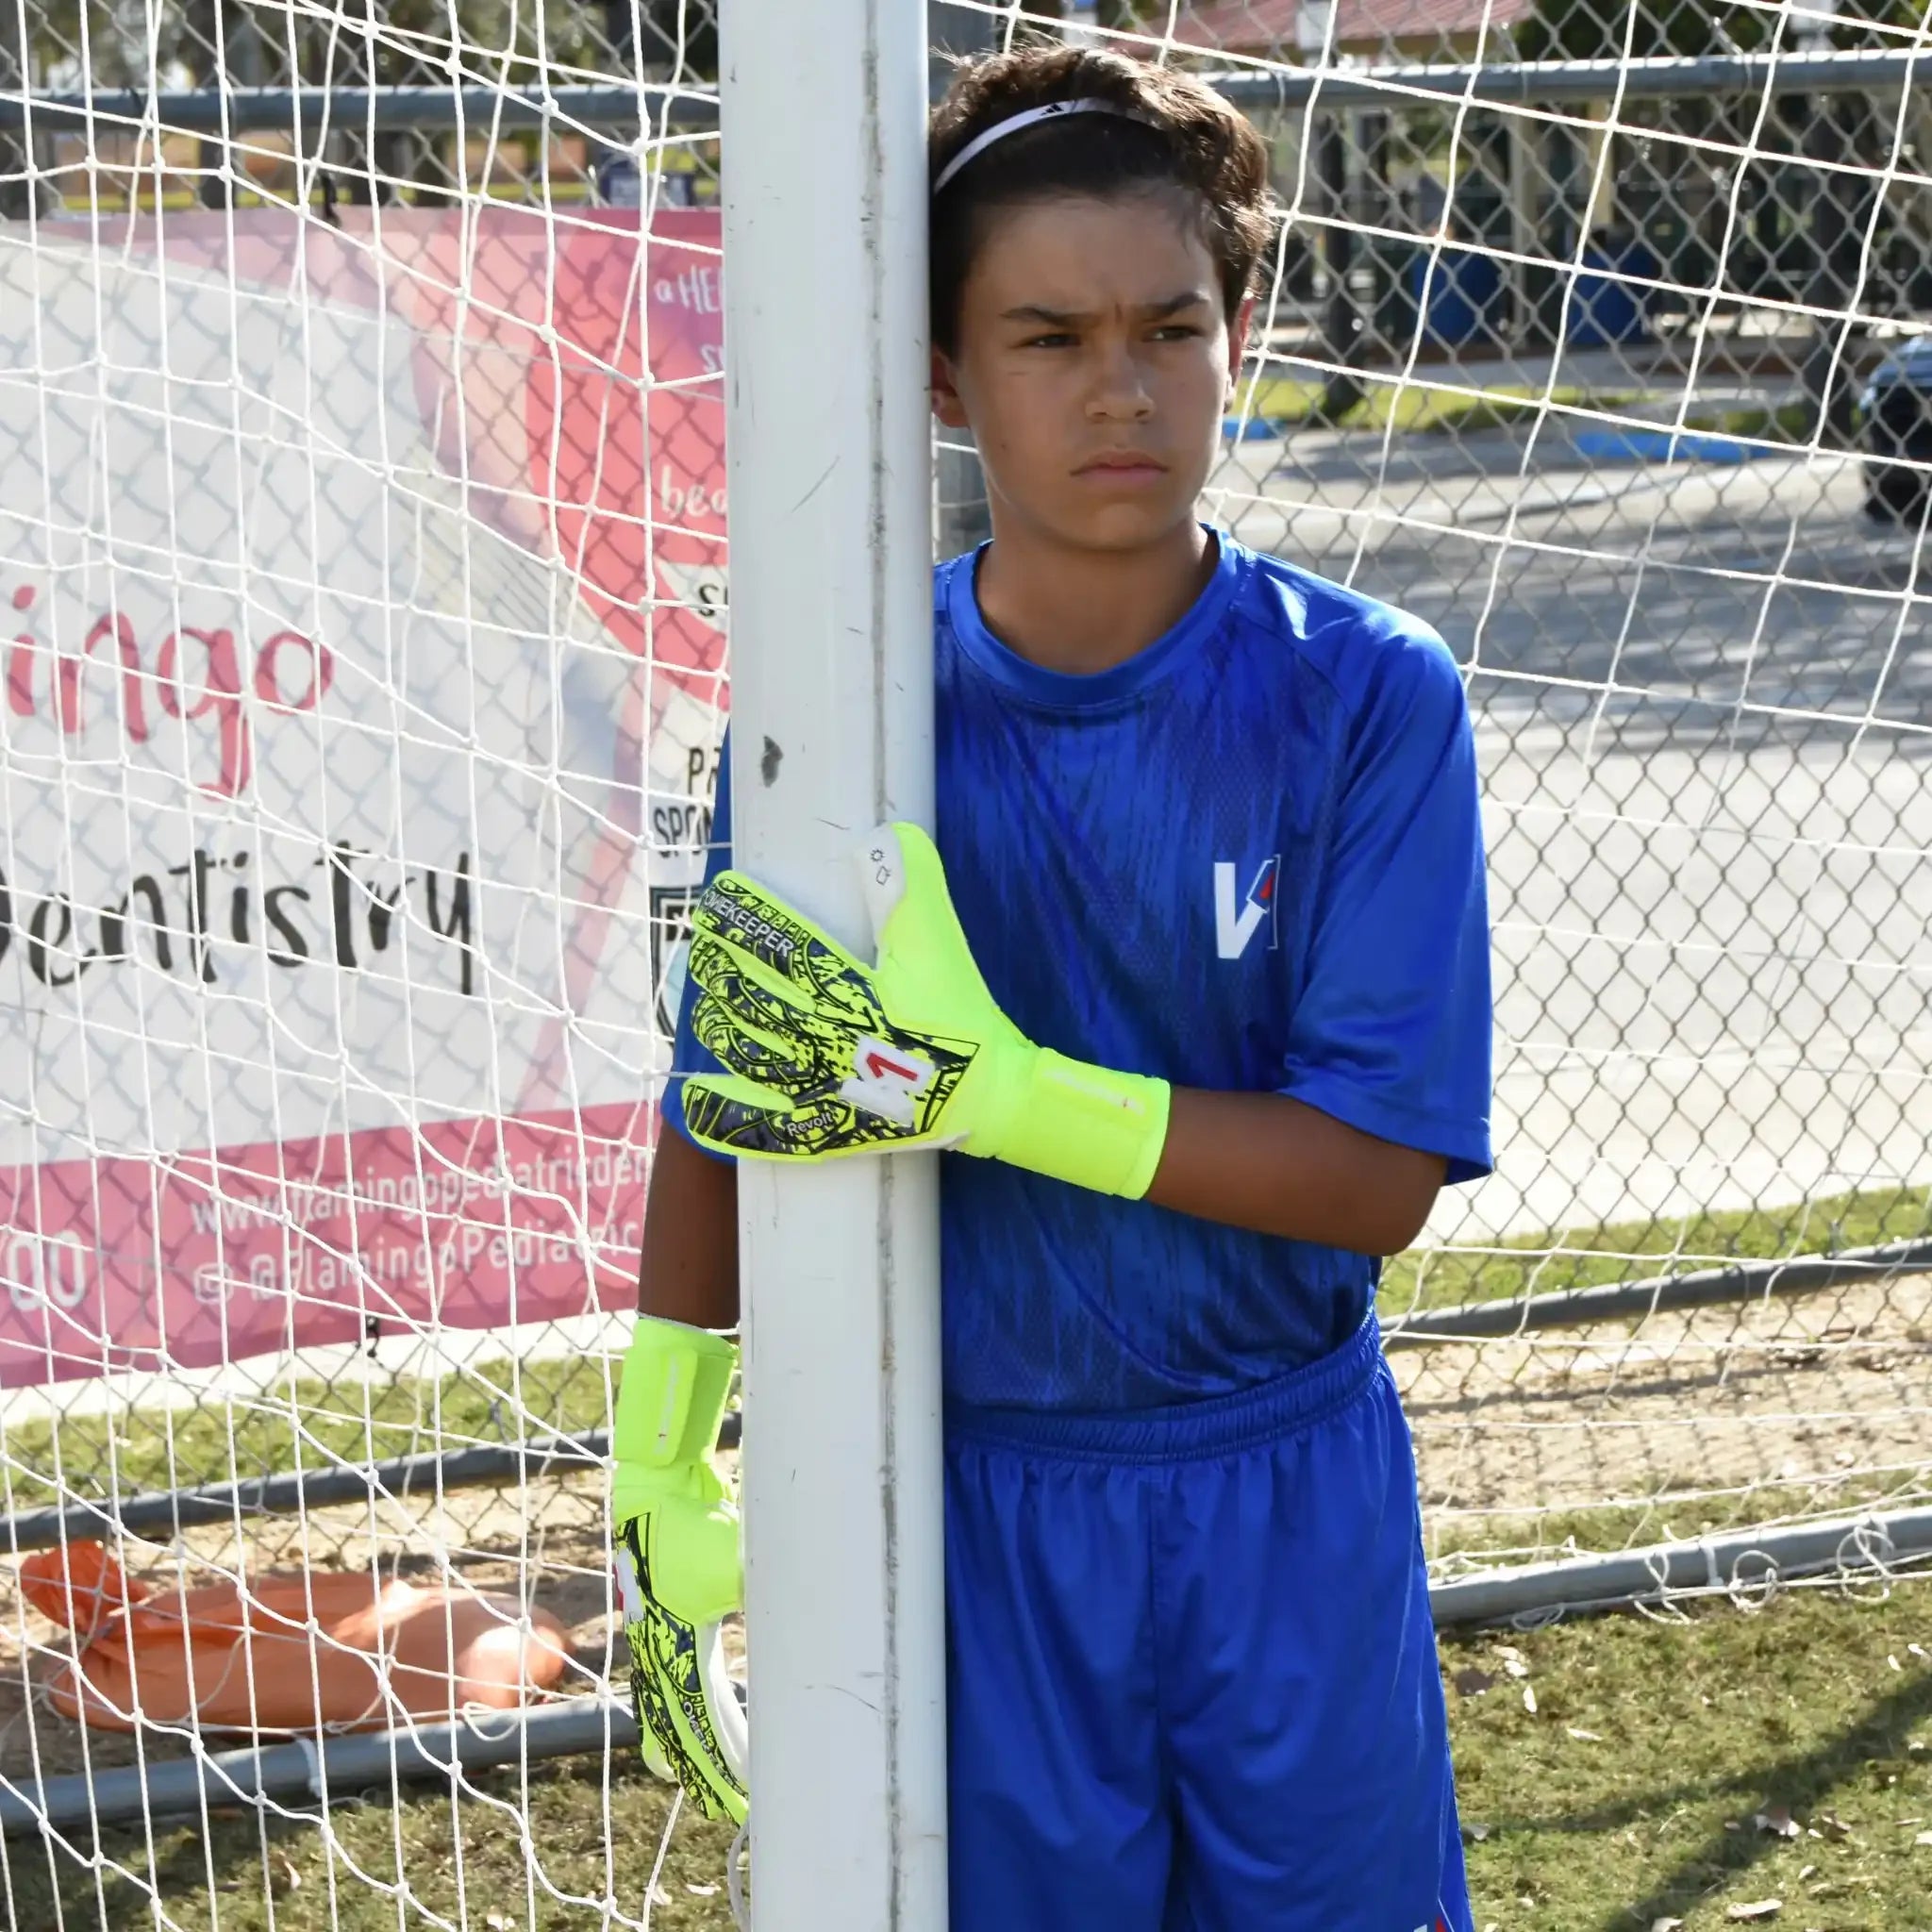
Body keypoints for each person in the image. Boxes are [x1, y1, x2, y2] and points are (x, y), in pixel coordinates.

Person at [611, 42, 1493, 1932]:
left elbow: (1376, 1176)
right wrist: (663, 1452)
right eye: (1046, 337)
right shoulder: (837, 726)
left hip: (1286, 1499)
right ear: (941, 372)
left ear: (1235, 336)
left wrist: (997, 1091)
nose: (1120, 388)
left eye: (1169, 327)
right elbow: (732, 1086)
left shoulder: (1367, 696)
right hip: (975, 1518)